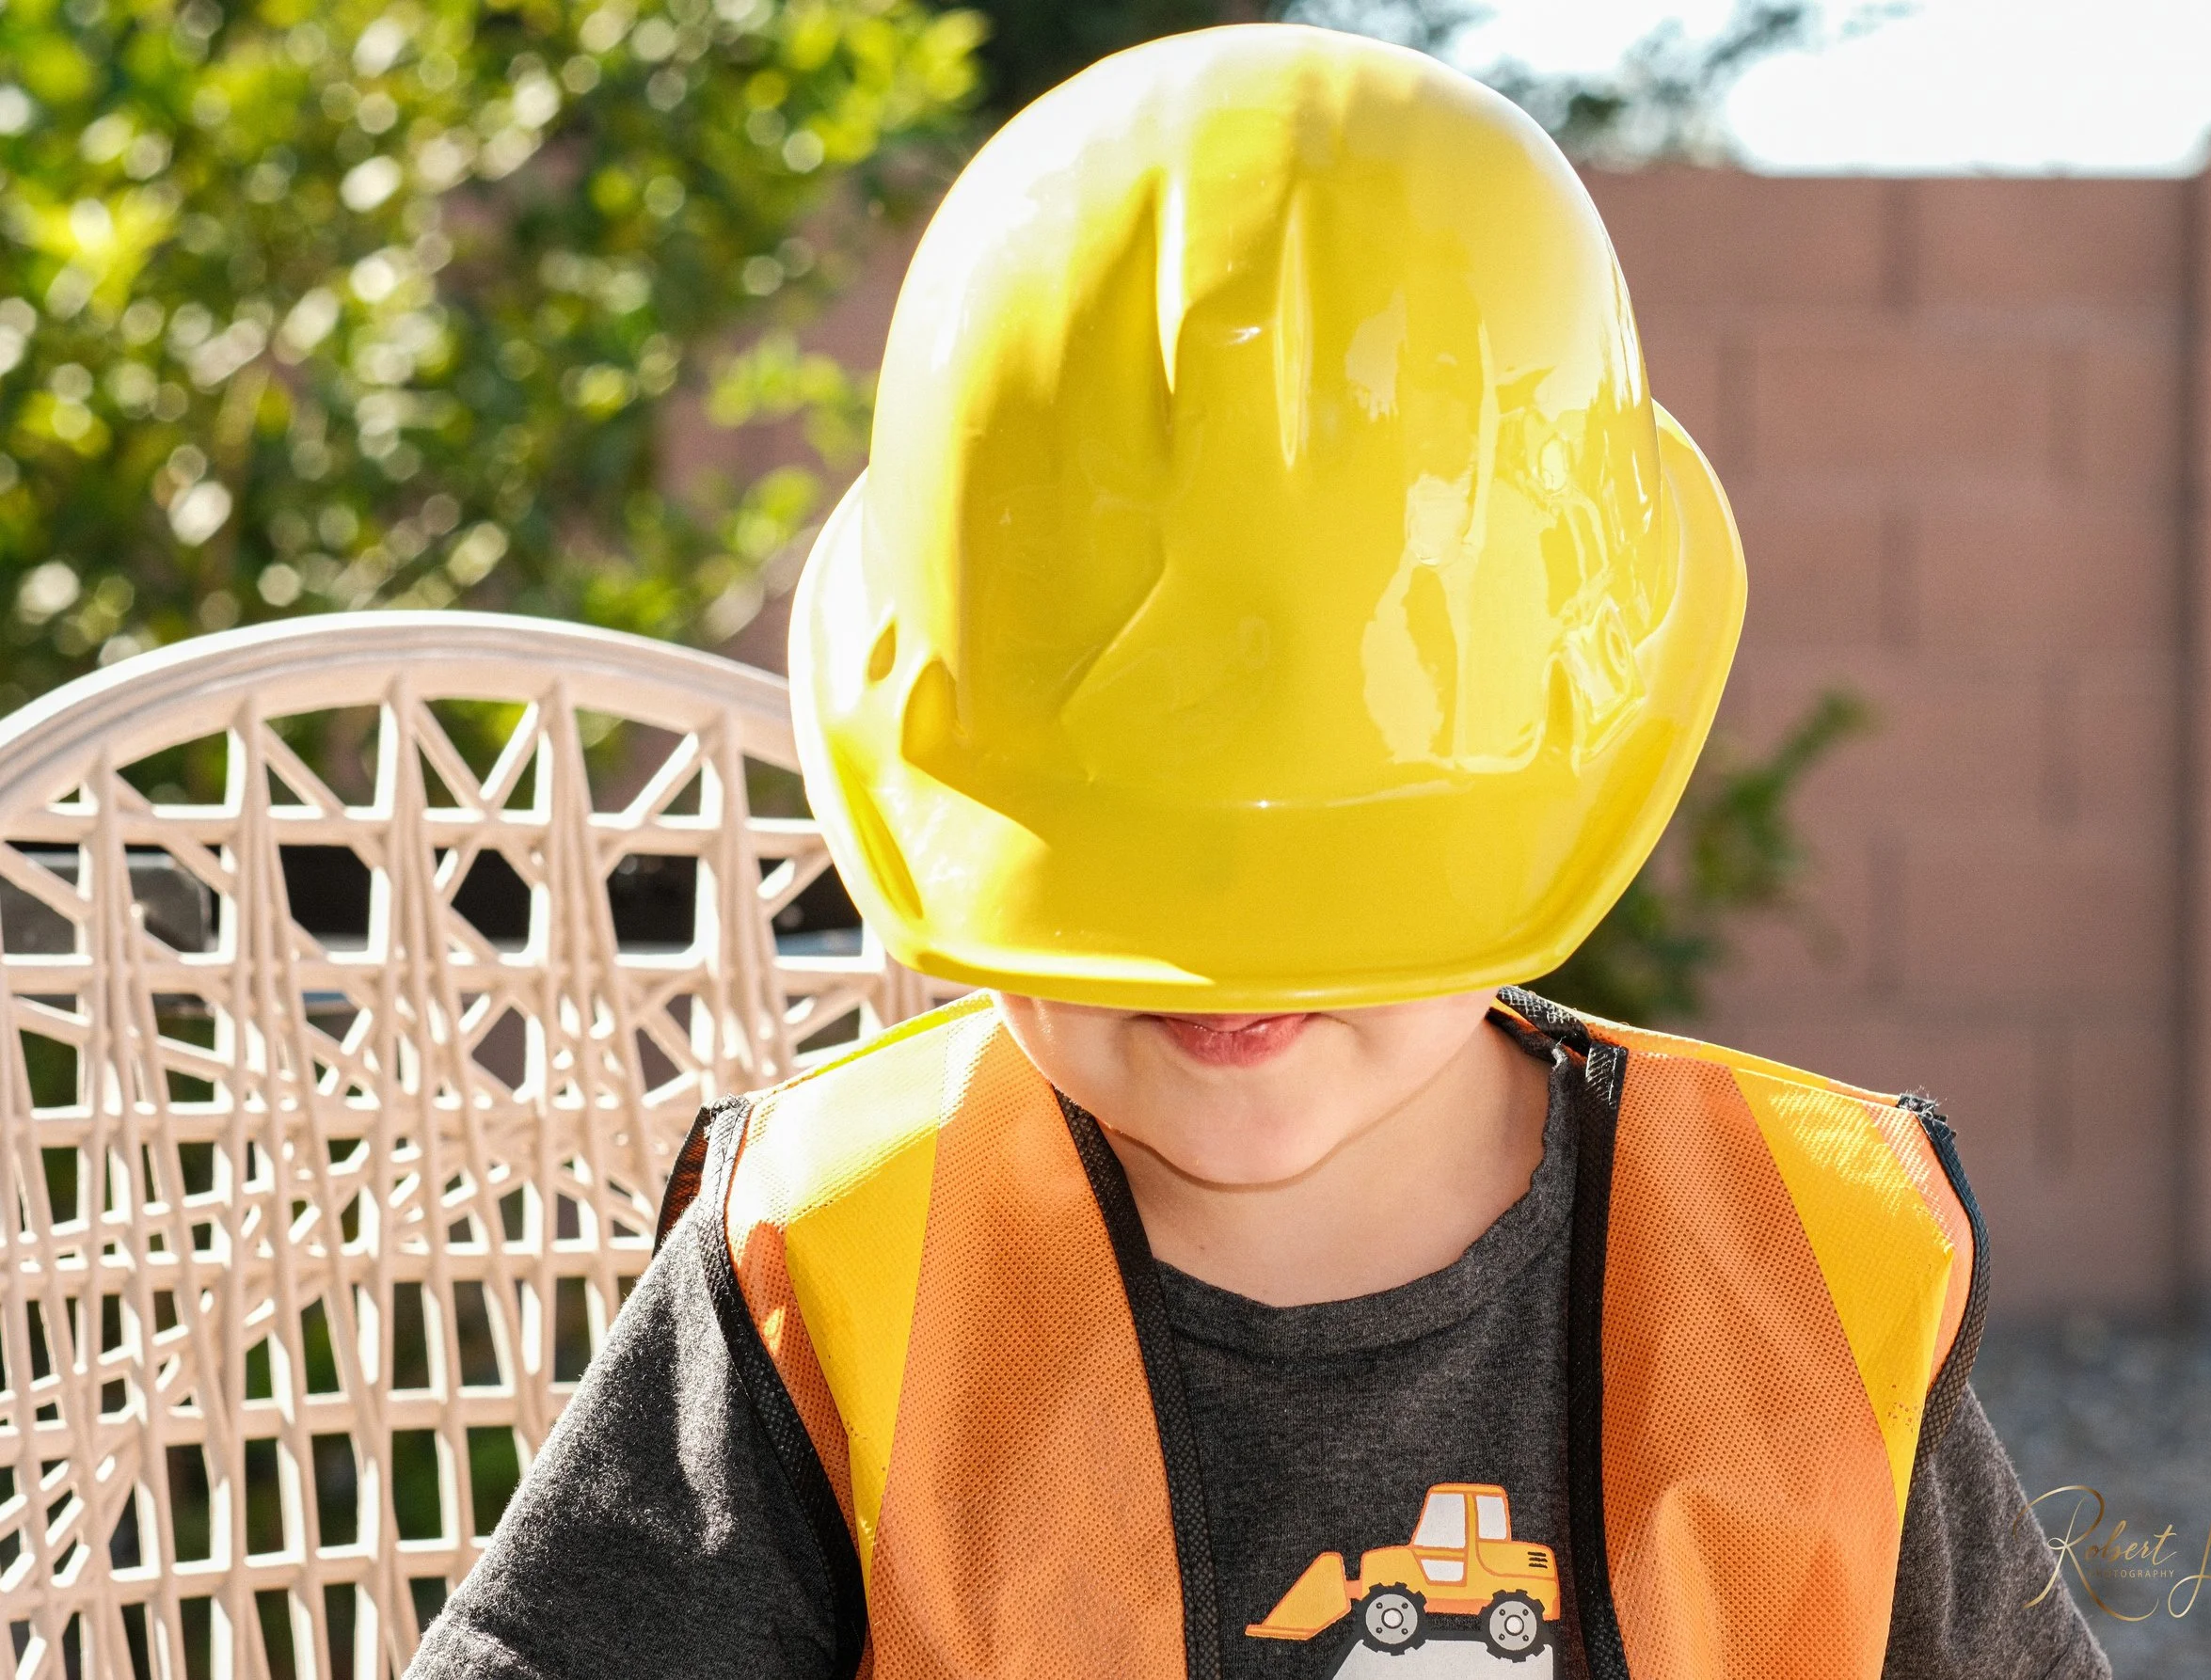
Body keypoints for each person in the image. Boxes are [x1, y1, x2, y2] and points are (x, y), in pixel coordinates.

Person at [411, 24, 2108, 1680]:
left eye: (1335, 874)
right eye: (1137, 870)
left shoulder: (1799, 1271)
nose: (1234, 952)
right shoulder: (844, 1269)